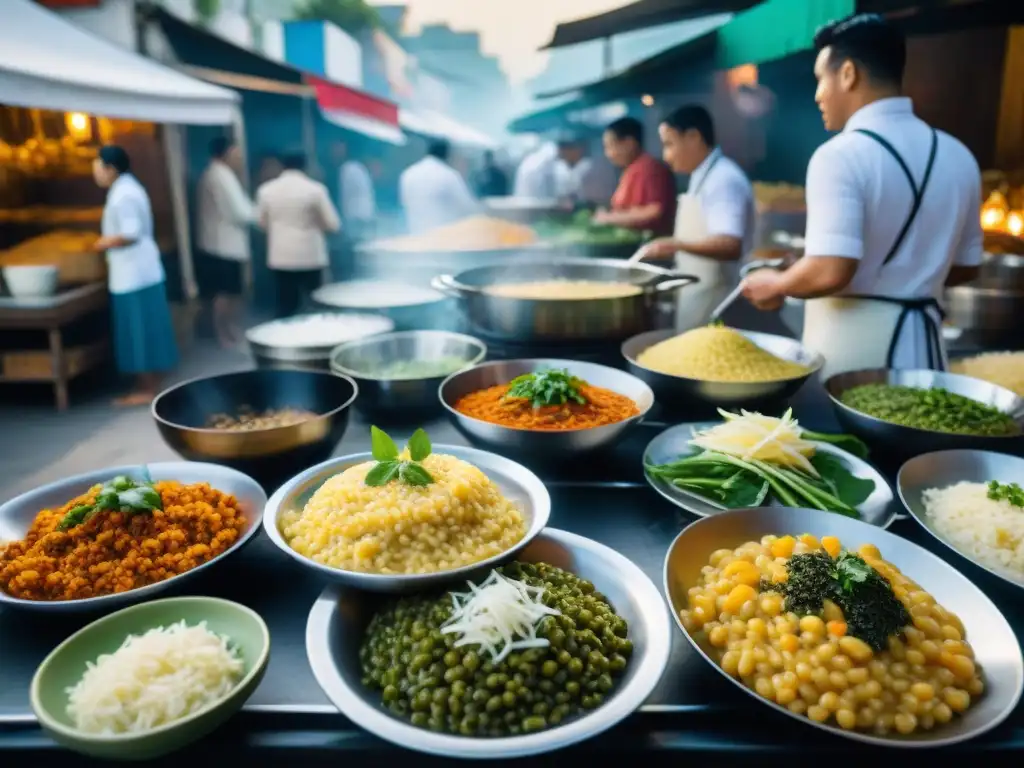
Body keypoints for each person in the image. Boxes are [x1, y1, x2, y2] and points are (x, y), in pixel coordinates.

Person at [739, 13, 982, 377]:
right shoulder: (958, 155)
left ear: (849, 73)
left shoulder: (839, 155)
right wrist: (908, 277)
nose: (818, 94)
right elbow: (965, 266)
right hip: (929, 357)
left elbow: (830, 270)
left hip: (854, 361)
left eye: (820, 79)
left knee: (844, 435)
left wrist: (777, 284)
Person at [631, 105, 755, 330]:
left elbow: (730, 244)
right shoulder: (704, 176)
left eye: (669, 144)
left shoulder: (723, 179)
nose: (666, 156)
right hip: (698, 291)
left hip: (717, 297)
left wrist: (673, 244)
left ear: (693, 137)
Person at [91, 145, 178, 407]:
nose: (95, 174)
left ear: (110, 169)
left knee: (139, 331)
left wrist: (101, 243)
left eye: (97, 168)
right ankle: (149, 383)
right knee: (146, 328)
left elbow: (130, 233)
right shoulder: (125, 189)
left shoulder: (124, 195)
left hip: (134, 274)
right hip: (138, 272)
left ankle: (147, 388)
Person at [256, 152, 341, 318]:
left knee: (286, 304)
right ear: (305, 166)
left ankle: (284, 340)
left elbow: (261, 223)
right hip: (311, 257)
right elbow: (333, 224)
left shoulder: (266, 190)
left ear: (282, 166)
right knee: (315, 304)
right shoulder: (316, 190)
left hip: (281, 257)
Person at [195, 136, 254, 347]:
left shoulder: (214, 173)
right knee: (226, 294)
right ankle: (224, 334)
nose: (240, 158)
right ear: (227, 153)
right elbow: (240, 212)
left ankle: (227, 331)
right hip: (223, 247)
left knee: (225, 293)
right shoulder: (222, 176)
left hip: (216, 245)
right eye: (237, 153)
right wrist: (260, 215)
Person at [594, 117, 676, 236]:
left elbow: (654, 211)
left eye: (610, 146)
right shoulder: (631, 169)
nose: (608, 154)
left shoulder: (650, 168)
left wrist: (608, 218)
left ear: (629, 143)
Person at [399, 140, 479, 235]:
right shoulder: (449, 175)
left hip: (415, 236)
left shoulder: (408, 174)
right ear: (447, 155)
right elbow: (467, 207)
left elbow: (404, 202)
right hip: (441, 241)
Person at [555, 133, 618, 209]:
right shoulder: (586, 166)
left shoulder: (593, 168)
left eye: (564, 154)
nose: (563, 159)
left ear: (577, 149)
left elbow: (594, 200)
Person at [333, 141, 376, 241]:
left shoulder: (348, 169)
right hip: (362, 217)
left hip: (357, 219)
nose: (334, 152)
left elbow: (345, 199)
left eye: (337, 148)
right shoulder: (357, 167)